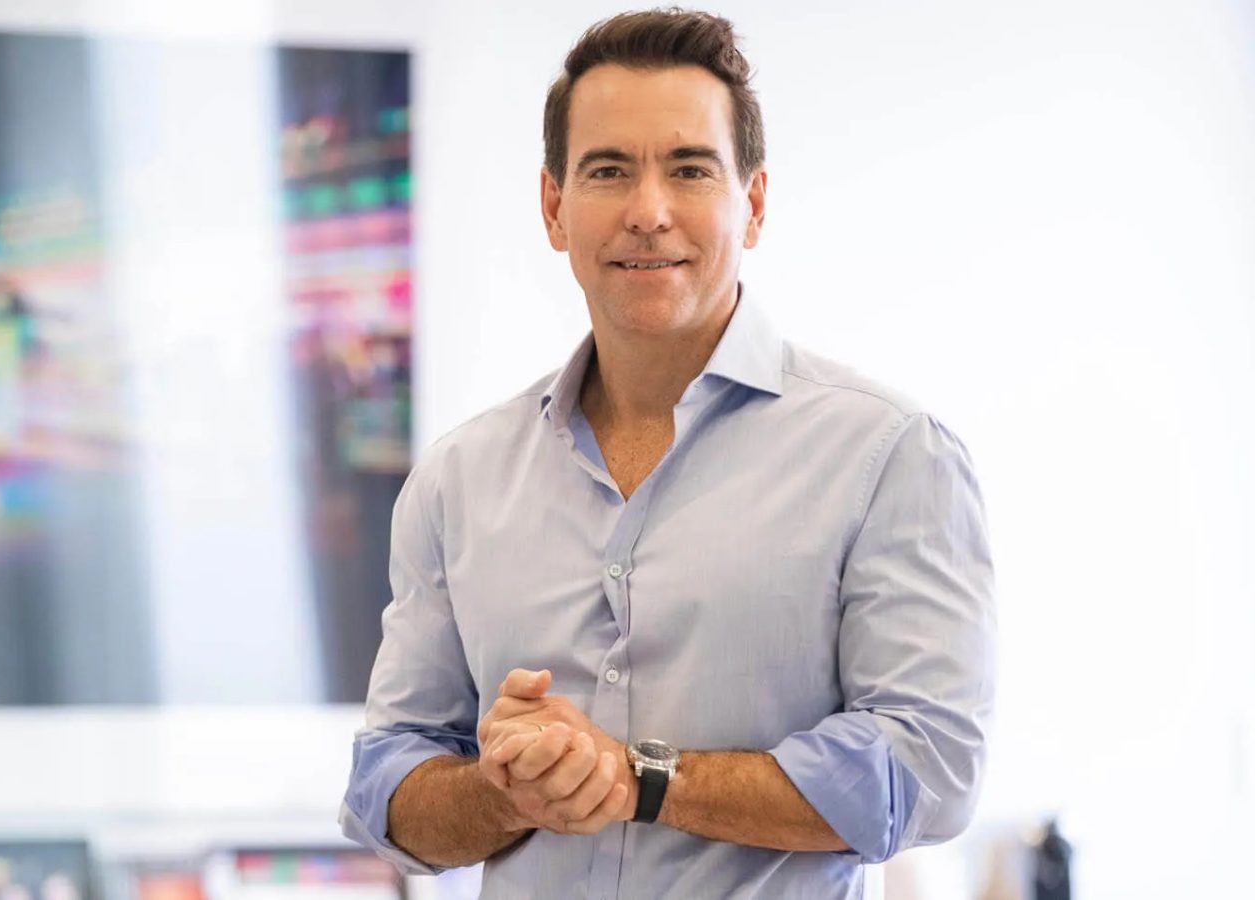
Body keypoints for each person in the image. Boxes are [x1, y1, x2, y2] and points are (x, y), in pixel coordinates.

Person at [339, 8, 996, 898]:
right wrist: (505, 791)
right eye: (608, 170)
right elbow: (387, 790)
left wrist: (641, 778)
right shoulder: (457, 481)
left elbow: (927, 767)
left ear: (751, 204)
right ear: (554, 207)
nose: (648, 213)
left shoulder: (889, 455)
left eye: (689, 169)